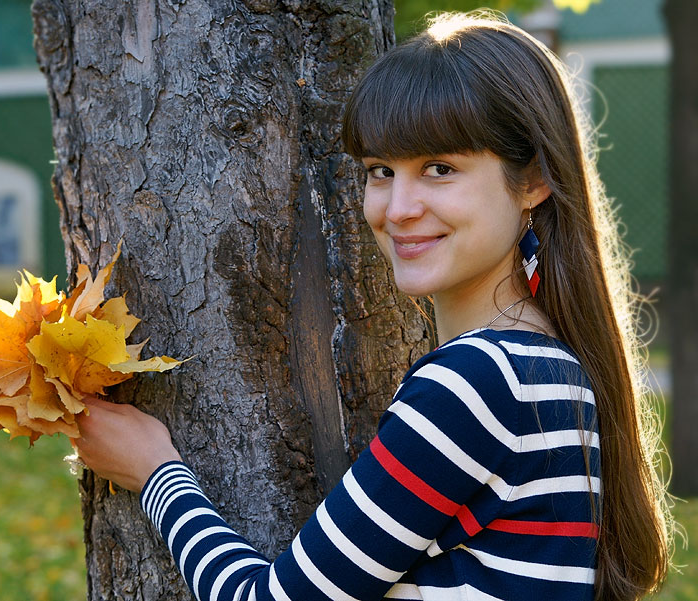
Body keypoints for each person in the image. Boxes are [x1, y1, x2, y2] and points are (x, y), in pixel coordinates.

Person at [73, 11, 672, 601]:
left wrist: (156, 475)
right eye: (381, 171)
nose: (398, 207)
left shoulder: (478, 383)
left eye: (441, 169)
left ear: (534, 180)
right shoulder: (554, 371)